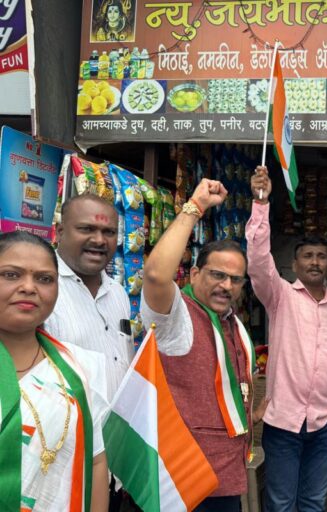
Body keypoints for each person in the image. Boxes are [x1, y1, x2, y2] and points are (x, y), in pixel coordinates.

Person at [141, 178, 259, 512]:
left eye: (235, 279)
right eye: (217, 275)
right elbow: (155, 276)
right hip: (182, 481)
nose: (227, 286)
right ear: (194, 275)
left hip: (225, 477)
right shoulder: (178, 316)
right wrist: (195, 207)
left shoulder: (233, 323)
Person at [247, 166, 327, 512]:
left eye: (321, 256)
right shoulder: (279, 296)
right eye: (308, 256)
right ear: (295, 265)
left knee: (313, 501)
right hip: (284, 420)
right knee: (281, 502)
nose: (315, 262)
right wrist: (260, 203)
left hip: (325, 421)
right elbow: (258, 261)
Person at [0, 231, 109, 511]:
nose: (29, 287)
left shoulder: (79, 368)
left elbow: (96, 461)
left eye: (44, 279)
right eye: (11, 275)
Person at [46, 194, 132, 403]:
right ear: (60, 231)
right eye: (86, 229)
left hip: (118, 422)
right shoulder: (41, 290)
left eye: (109, 232)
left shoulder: (118, 293)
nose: (99, 240)